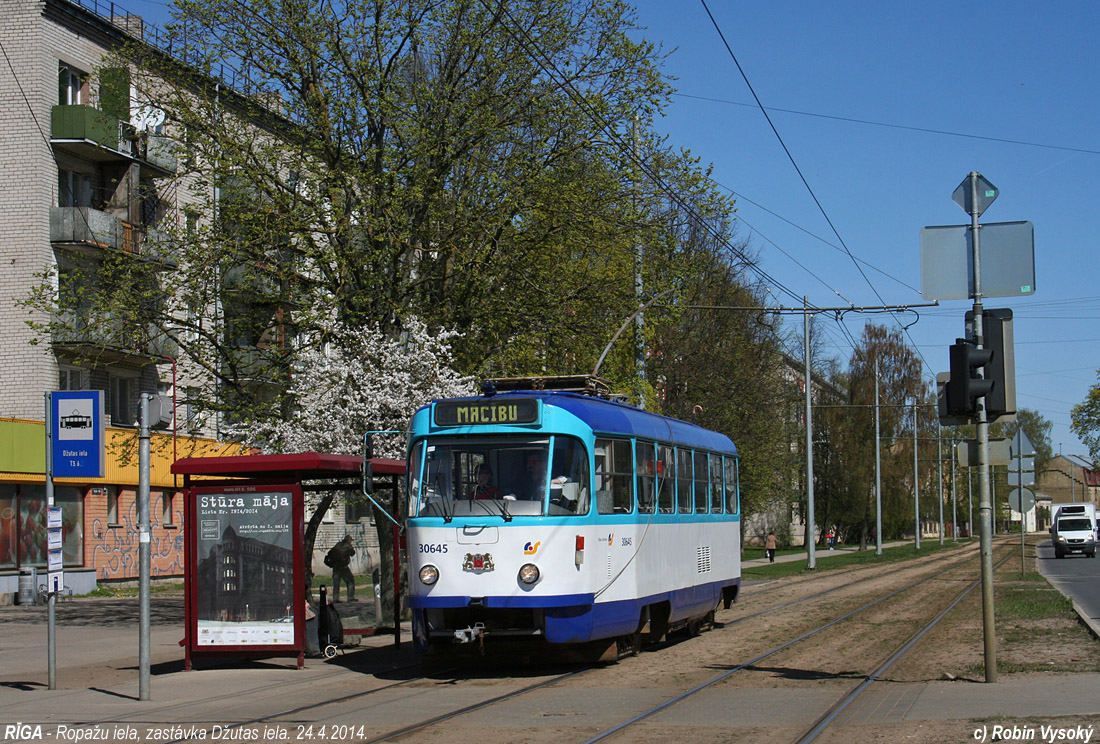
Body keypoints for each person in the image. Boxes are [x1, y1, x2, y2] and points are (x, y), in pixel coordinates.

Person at [326, 535, 356, 602]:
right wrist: (351, 548)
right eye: (351, 541)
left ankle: (335, 598)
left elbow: (329, 553)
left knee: (336, 583)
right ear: (348, 540)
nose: (351, 542)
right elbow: (352, 553)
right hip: (343, 567)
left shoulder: (338, 545)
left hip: (335, 567)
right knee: (350, 581)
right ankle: (350, 597)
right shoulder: (347, 546)